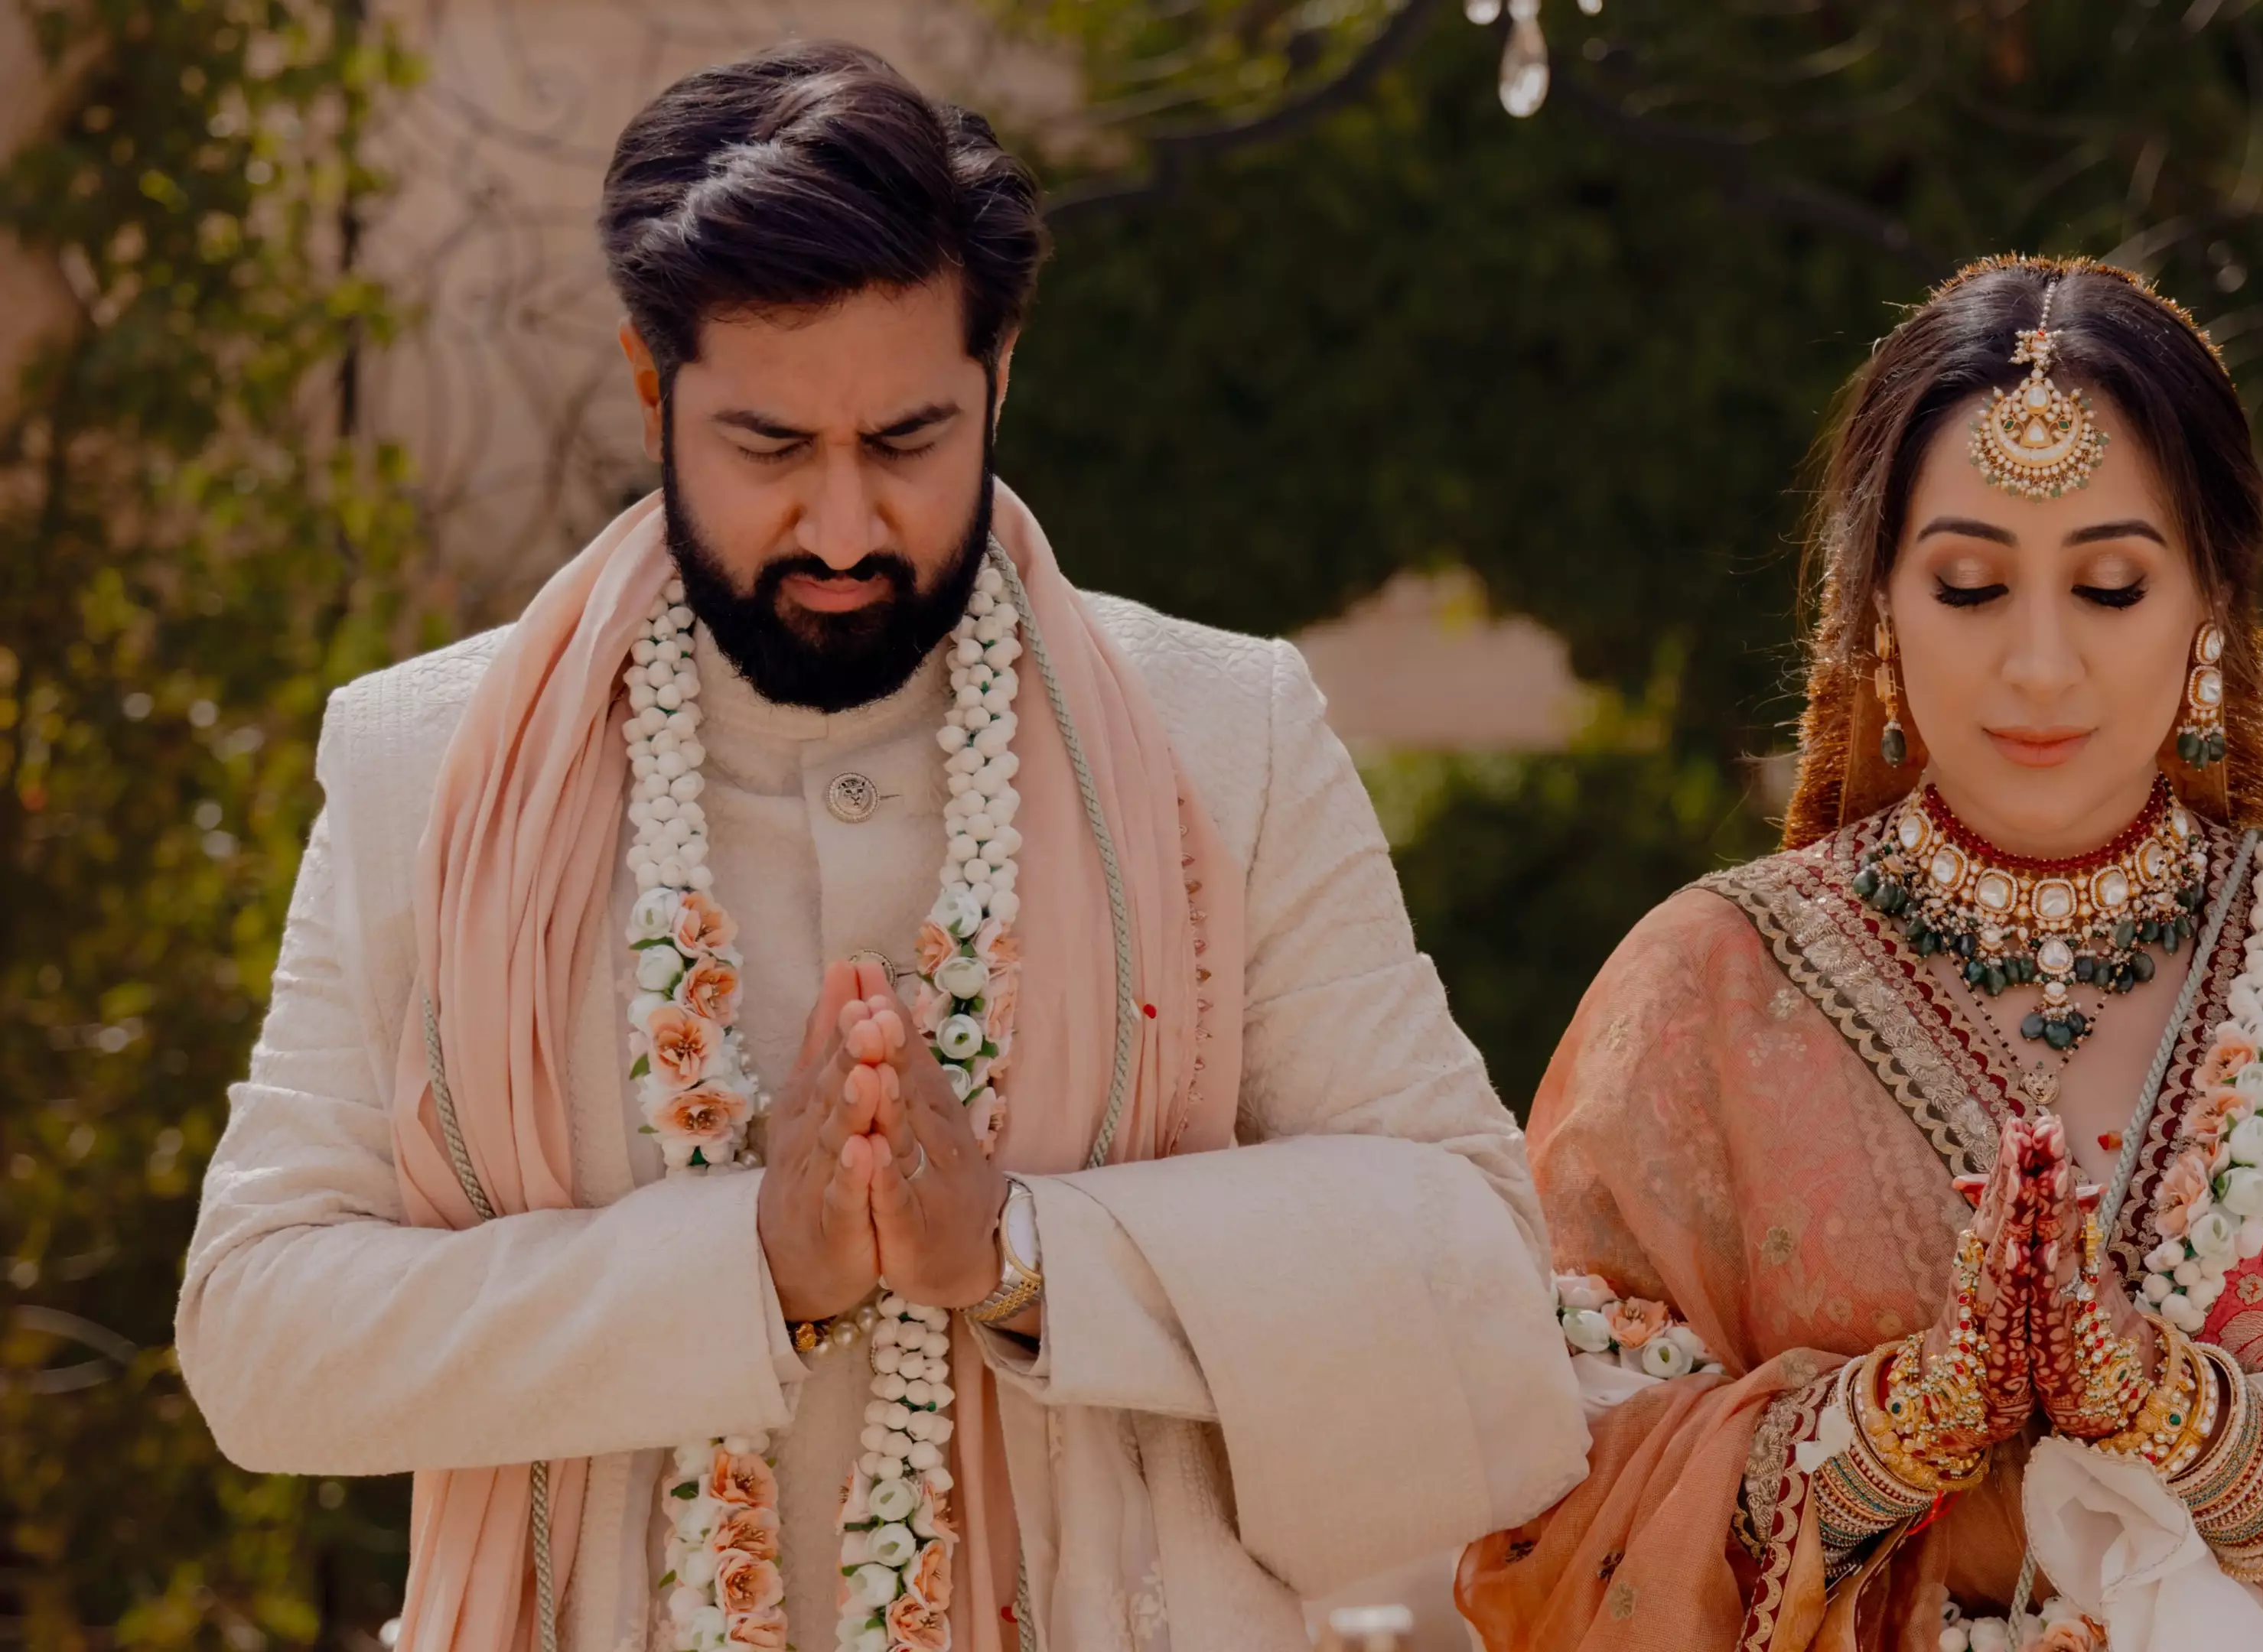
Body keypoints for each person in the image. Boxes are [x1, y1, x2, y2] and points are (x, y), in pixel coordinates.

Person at [177, 42, 1584, 1652]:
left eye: (909, 443)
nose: (844, 530)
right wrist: (744, 1273)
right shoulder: (426, 768)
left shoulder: (1223, 735)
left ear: (1000, 383)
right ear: (653, 390)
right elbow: (260, 1329)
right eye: (771, 449)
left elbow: (1473, 1257)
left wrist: (1026, 1250)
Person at [1457, 257, 2263, 1651]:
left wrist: (2176, 1417)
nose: (2039, 666)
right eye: (1968, 586)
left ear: (2210, 606)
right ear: (1877, 607)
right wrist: (1910, 1422)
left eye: (2113, 587)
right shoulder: (1708, 989)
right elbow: (1545, 1522)